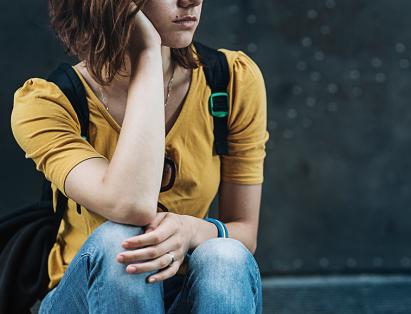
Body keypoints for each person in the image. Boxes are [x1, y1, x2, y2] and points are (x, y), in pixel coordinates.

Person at [10, 0, 269, 313]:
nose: (192, 1)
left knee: (224, 256)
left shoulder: (229, 81)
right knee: (120, 239)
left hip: (181, 289)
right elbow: (130, 205)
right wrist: (146, 51)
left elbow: (244, 230)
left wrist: (190, 231)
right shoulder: (46, 103)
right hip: (85, 295)